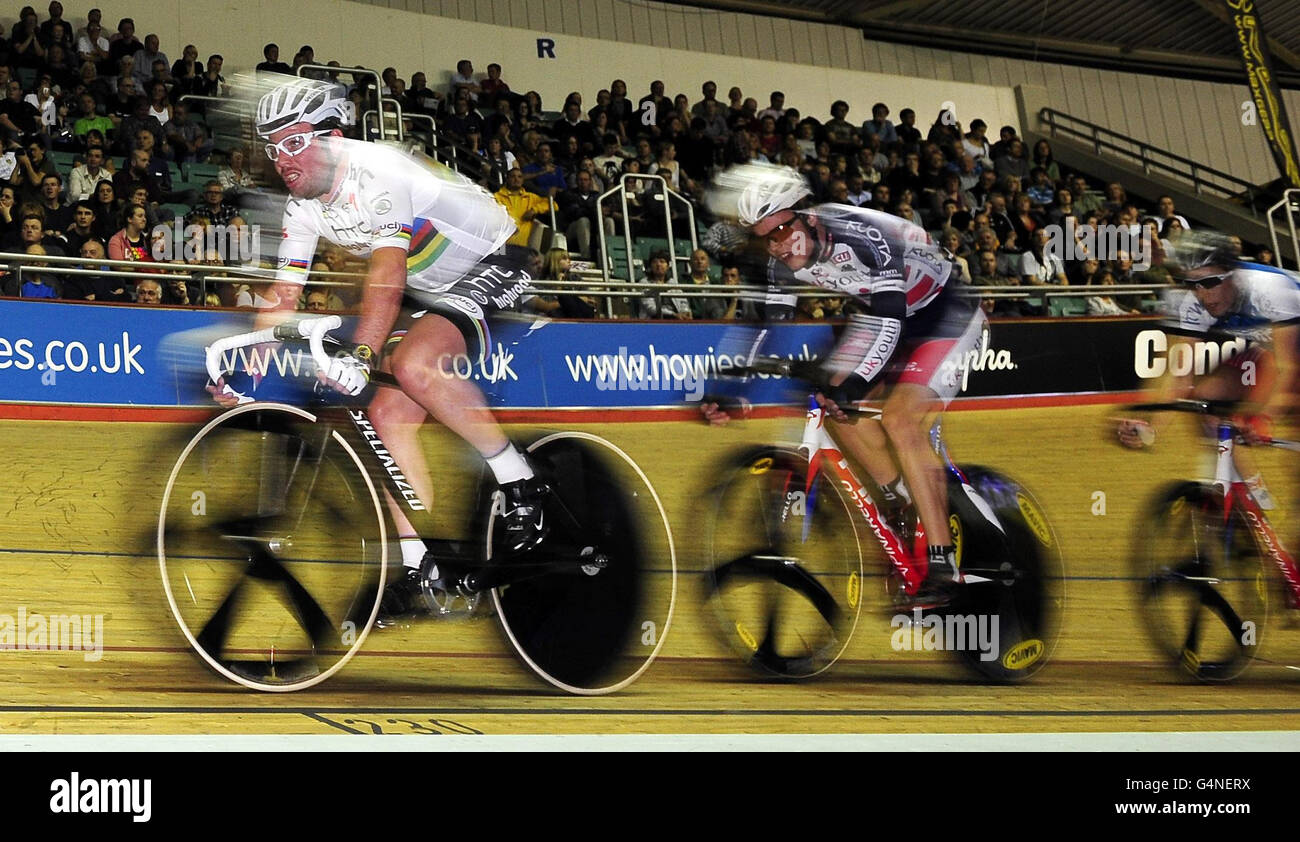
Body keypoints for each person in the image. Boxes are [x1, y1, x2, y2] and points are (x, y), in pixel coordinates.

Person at [246, 78, 548, 622]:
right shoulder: (303, 204)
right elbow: (285, 290)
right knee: (384, 411)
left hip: (498, 261)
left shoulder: (376, 170)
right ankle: (417, 567)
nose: (281, 158)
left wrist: (362, 354)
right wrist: (252, 345)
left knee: (412, 364)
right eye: (273, 147)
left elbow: (388, 272)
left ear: (333, 139)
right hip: (432, 286)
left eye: (293, 142)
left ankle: (520, 480)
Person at [706, 164, 988, 605]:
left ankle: (943, 563)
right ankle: (902, 496)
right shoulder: (778, 260)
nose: (777, 246)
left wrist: (857, 384)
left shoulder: (859, 233)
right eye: (766, 237)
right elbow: (763, 326)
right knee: (828, 396)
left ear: (808, 215)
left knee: (898, 419)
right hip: (877, 314)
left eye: (781, 230)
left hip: (943, 315)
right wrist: (729, 387)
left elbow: (893, 319)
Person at [1118, 232, 1300, 529]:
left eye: (1211, 282)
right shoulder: (1193, 303)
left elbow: (1287, 366)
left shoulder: (1269, 289)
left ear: (1234, 275)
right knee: (1205, 399)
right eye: (1193, 284)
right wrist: (1150, 425)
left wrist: (1263, 416)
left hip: (1288, 352)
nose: (1203, 294)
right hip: (1272, 351)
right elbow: (1178, 375)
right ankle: (1253, 494)